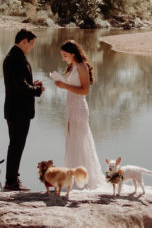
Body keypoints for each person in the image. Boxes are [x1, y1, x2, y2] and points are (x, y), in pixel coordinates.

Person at [53, 39, 105, 190]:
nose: (63, 58)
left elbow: (85, 90)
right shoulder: (72, 67)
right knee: (72, 141)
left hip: (79, 109)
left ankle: (83, 180)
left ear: (72, 53)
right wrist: (62, 82)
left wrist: (64, 85)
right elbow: (72, 86)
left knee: (80, 142)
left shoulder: (82, 67)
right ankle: (73, 178)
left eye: (65, 55)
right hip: (71, 108)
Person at [2, 29, 44, 191]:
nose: (33, 47)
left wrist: (34, 85)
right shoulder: (15, 58)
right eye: (32, 43)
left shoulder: (15, 56)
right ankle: (11, 182)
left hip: (16, 109)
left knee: (16, 145)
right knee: (16, 145)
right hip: (18, 110)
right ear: (24, 41)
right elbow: (20, 86)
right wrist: (38, 90)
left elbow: (21, 83)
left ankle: (12, 179)